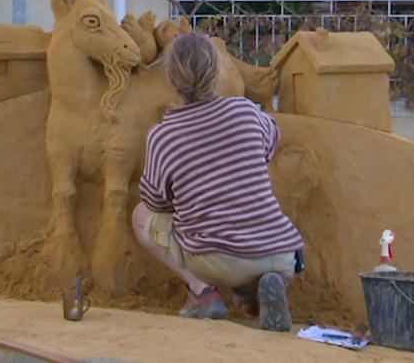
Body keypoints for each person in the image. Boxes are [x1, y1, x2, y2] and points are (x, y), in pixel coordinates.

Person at [131, 32, 305, 332]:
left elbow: (155, 201)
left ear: (170, 78)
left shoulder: (164, 135)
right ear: (217, 71)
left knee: (139, 217)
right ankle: (256, 292)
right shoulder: (248, 111)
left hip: (217, 258)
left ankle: (202, 292)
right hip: (281, 253)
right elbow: (270, 145)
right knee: (252, 244)